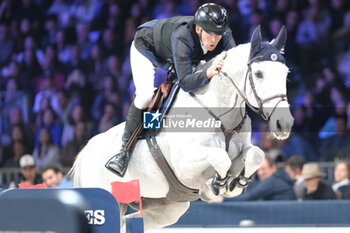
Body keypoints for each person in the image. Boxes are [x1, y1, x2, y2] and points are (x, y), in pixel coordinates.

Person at [106, 3, 236, 177]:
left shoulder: (224, 35)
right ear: (198, 29)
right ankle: (124, 152)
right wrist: (208, 73)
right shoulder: (184, 37)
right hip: (147, 48)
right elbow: (185, 82)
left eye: (218, 34)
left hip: (180, 54)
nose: (214, 39)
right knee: (146, 95)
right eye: (210, 34)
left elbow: (234, 66)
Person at [227, 157, 296, 201]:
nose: (260, 173)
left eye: (263, 169)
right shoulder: (276, 179)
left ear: (274, 168)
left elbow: (250, 197)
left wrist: (223, 199)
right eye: (258, 170)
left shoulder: (272, 181)